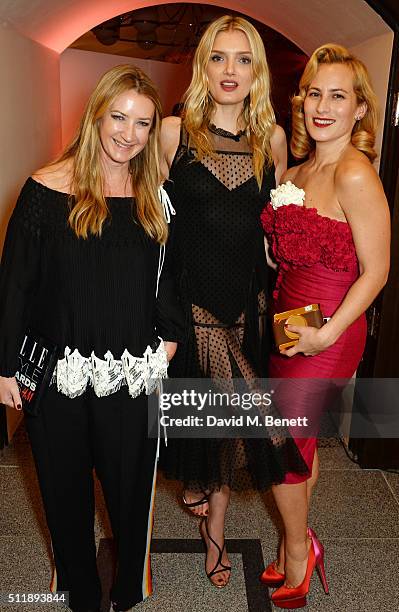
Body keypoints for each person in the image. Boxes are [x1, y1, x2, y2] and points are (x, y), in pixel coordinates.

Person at [0, 65, 184, 612]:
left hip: (131, 372)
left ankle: (128, 591)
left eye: (143, 123)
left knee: (131, 495)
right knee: (64, 493)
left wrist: (170, 338)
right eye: (118, 117)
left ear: (153, 132)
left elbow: (168, 274)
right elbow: (16, 285)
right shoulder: (44, 189)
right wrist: (6, 367)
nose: (128, 134)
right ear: (96, 116)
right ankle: (80, 592)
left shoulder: (155, 194)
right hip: (58, 374)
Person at [160, 15, 308, 588]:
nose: (230, 69)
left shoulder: (271, 140)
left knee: (219, 435)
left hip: (245, 302)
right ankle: (295, 540)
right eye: (219, 57)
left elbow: (269, 231)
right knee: (254, 422)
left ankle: (214, 538)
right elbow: (151, 221)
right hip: (189, 305)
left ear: (257, 71)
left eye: (242, 59)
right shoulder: (174, 134)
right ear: (203, 65)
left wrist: (288, 253)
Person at [261, 44, 390, 608]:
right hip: (291, 323)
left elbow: (380, 269)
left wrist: (328, 334)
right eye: (315, 93)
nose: (322, 105)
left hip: (327, 331)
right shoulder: (298, 170)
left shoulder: (355, 172)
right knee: (299, 447)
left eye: (338, 96)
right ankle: (299, 541)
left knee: (281, 447)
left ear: (359, 109)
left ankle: (297, 555)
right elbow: (288, 254)